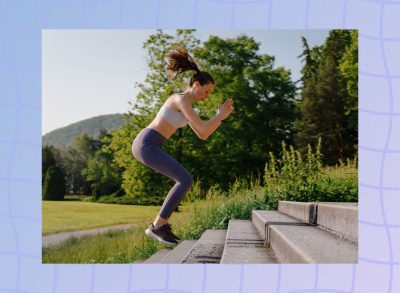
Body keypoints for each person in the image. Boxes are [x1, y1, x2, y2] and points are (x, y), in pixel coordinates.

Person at [131, 46, 234, 245]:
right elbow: (204, 128)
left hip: (152, 145)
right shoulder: (180, 99)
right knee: (185, 179)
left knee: (185, 179)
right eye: (206, 91)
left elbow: (203, 134)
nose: (206, 96)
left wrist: (220, 118)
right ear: (195, 83)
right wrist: (219, 115)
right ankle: (158, 226)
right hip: (146, 143)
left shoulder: (187, 105)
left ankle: (159, 226)